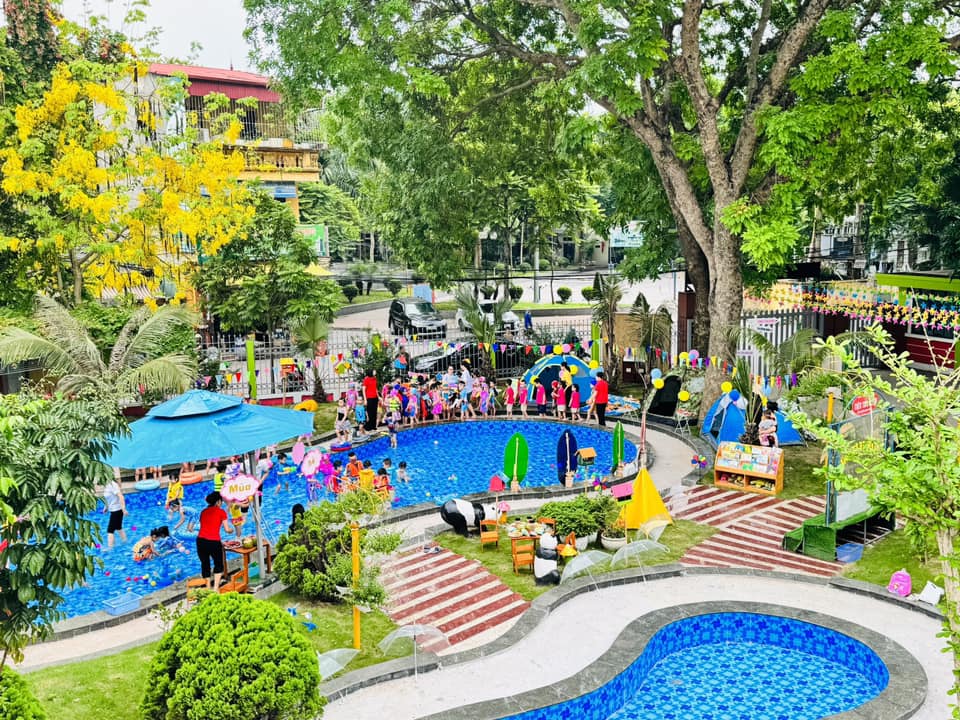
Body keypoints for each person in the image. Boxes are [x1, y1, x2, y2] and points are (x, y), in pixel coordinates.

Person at [196, 491, 234, 591]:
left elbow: (207, 528)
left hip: (200, 541)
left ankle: (208, 588)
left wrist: (220, 542)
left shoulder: (203, 512)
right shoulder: (221, 512)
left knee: (205, 564)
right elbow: (227, 529)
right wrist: (232, 529)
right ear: (218, 502)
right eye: (221, 501)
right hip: (213, 542)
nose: (222, 503)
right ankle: (216, 588)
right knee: (218, 564)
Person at [102, 472, 127, 549]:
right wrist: (106, 507)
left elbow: (121, 496)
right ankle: (125, 542)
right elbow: (109, 498)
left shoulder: (113, 485)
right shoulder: (106, 485)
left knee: (110, 530)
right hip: (113, 510)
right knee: (118, 527)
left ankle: (110, 548)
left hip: (117, 510)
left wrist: (124, 509)